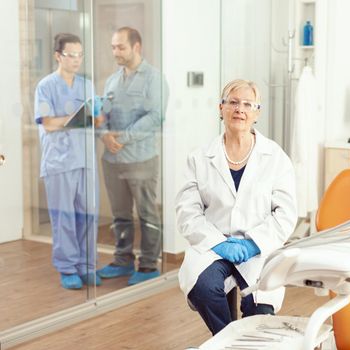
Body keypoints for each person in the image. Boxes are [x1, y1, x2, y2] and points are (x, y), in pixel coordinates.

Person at [175, 79, 298, 335]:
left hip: (258, 249)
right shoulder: (199, 158)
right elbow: (188, 212)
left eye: (247, 104)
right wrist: (219, 243)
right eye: (232, 102)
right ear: (221, 109)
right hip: (214, 246)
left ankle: (239, 340)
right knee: (204, 288)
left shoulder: (275, 157)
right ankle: (227, 339)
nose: (239, 109)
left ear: (257, 113)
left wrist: (253, 244)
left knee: (260, 309)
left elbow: (285, 215)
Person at [97, 27, 168, 285]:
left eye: (121, 47)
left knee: (147, 213)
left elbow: (155, 117)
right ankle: (123, 261)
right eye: (113, 47)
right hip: (112, 160)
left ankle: (148, 266)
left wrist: (122, 138)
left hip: (141, 159)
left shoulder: (154, 79)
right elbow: (102, 112)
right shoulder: (113, 80)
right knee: (121, 214)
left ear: (136, 47)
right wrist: (105, 135)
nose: (115, 52)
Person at [34, 33, 103, 290]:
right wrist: (73, 117)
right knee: (63, 217)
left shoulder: (86, 85)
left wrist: (96, 117)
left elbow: (95, 120)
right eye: (70, 55)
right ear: (57, 56)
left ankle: (86, 266)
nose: (76, 60)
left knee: (88, 214)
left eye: (79, 55)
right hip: (59, 162)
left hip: (84, 158)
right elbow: (48, 123)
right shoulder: (45, 86)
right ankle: (66, 267)